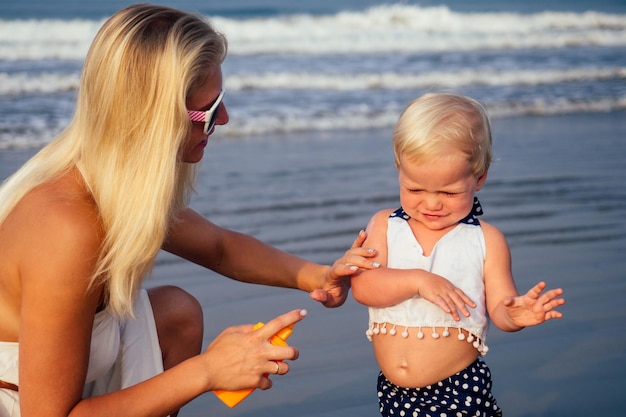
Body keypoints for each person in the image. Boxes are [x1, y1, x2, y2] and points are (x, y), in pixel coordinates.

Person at [0, 4, 378, 417]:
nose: (227, 119)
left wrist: (318, 276)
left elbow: (219, 247)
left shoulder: (111, 185)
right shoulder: (67, 227)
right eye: (211, 111)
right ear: (155, 119)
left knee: (176, 313)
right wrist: (208, 370)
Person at [350, 93, 565, 417]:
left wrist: (514, 315)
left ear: (479, 178)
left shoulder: (485, 240)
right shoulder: (385, 225)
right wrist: (419, 281)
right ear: (399, 169)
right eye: (415, 189)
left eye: (449, 192)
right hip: (394, 394)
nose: (432, 204)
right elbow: (365, 287)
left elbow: (499, 307)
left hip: (459, 390)